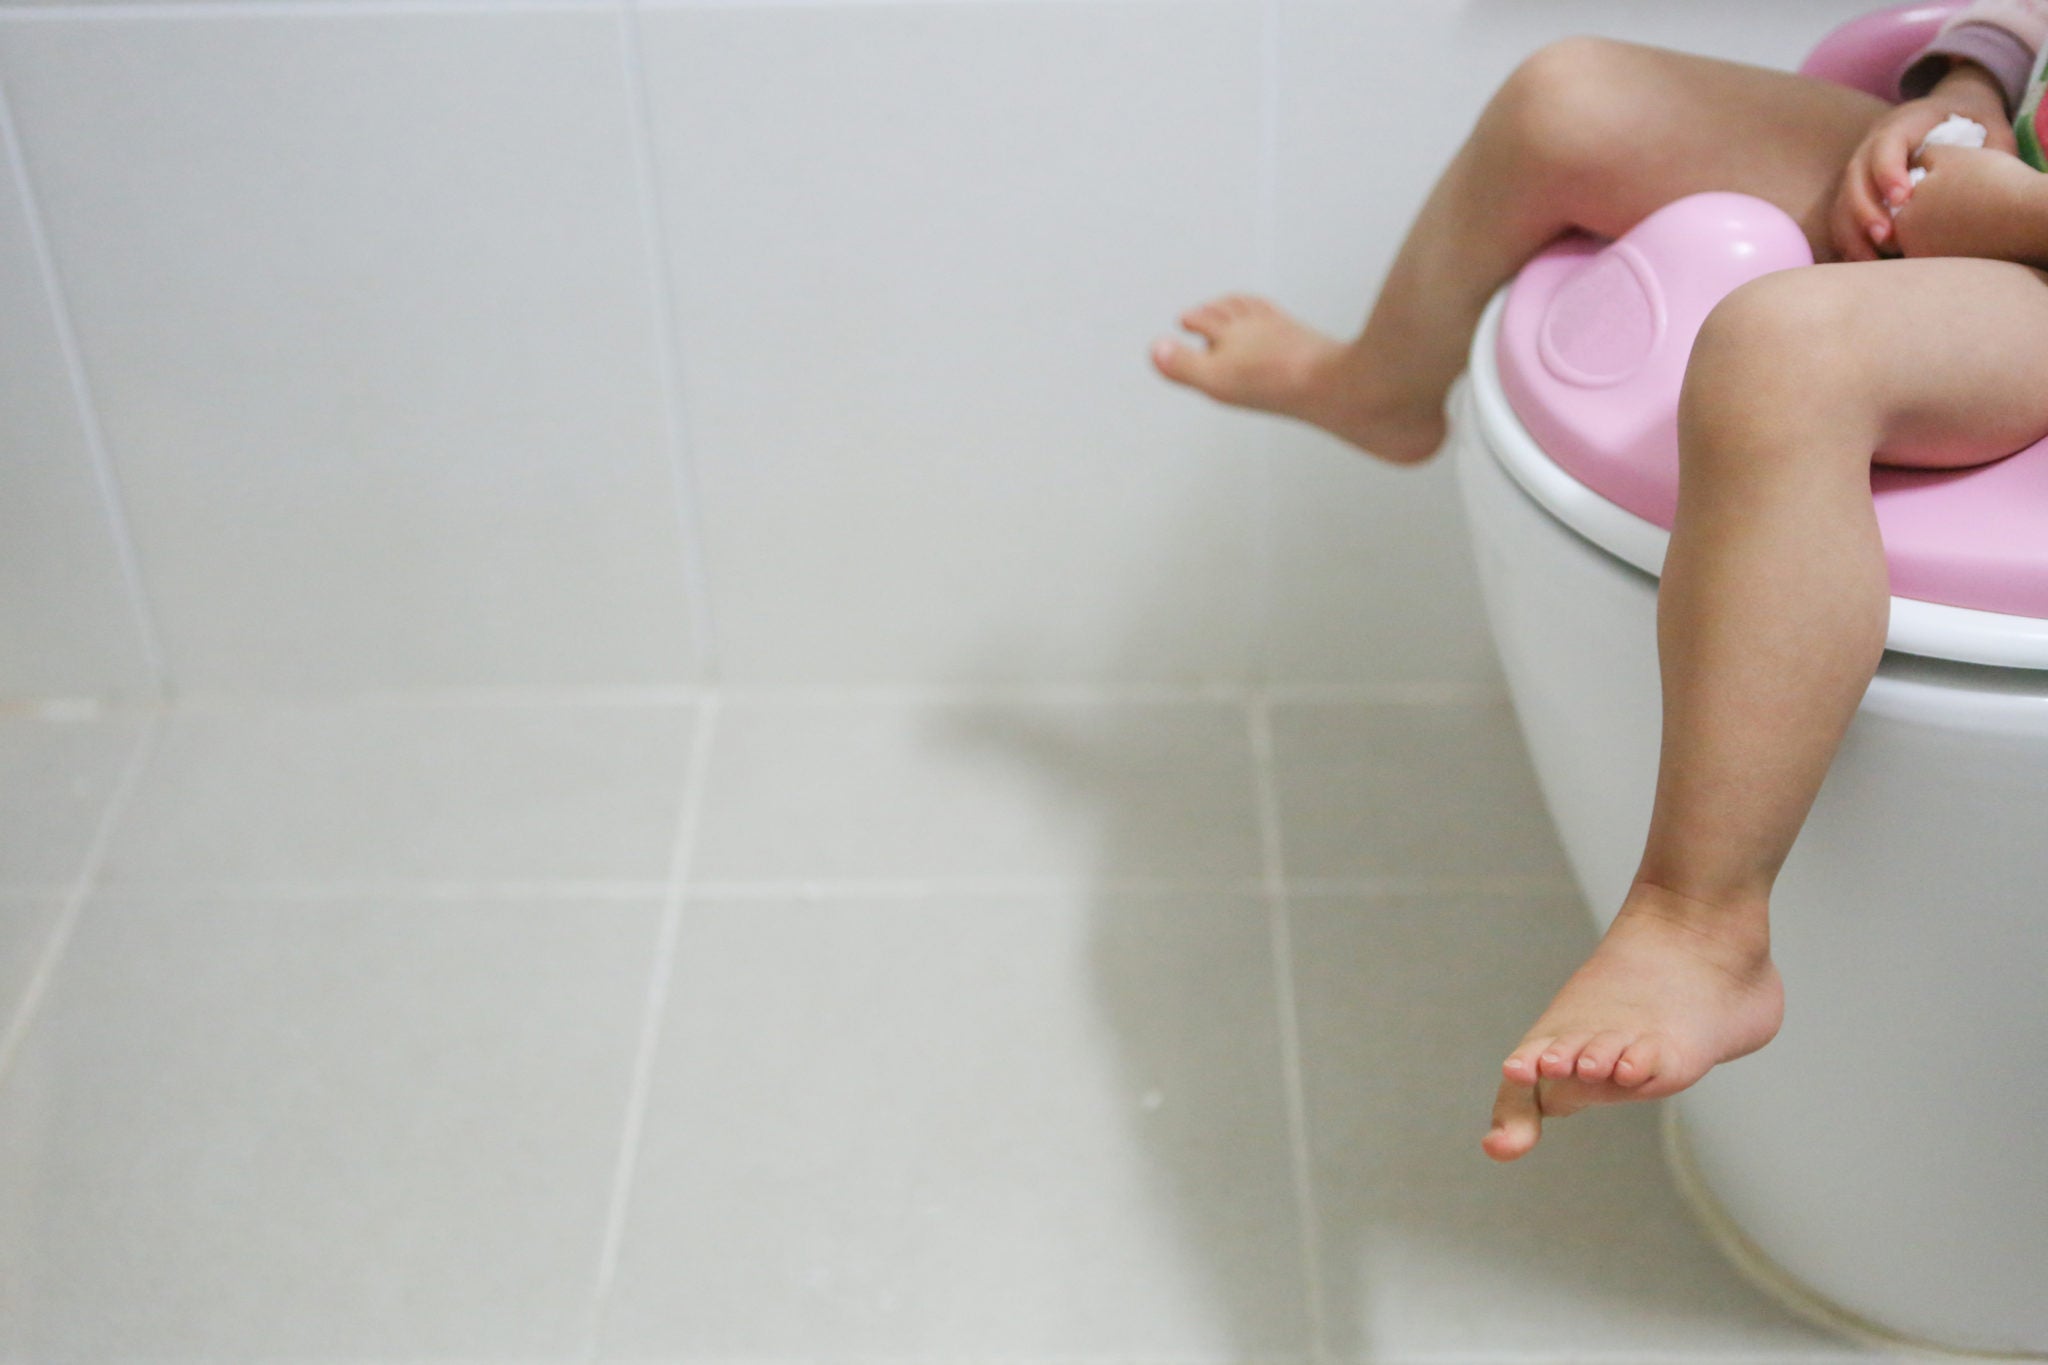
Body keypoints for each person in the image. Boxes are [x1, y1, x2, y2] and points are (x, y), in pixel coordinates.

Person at [1150, 2, 2048, 1161]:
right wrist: (1962, 91)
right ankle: (1380, 382)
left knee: (1780, 353)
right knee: (1565, 100)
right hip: (1993, 182)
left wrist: (2010, 215)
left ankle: (1702, 924)